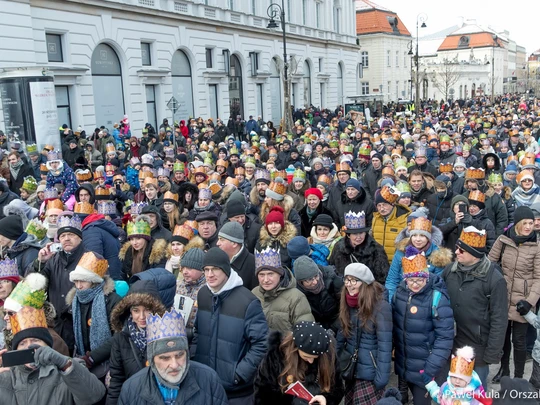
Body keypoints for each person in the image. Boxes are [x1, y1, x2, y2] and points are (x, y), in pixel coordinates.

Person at [194, 247, 269, 403]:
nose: (209, 274)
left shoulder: (247, 301)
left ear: (226, 270)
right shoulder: (203, 295)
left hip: (236, 392)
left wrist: (239, 373)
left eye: (215, 269)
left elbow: (262, 342)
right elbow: (197, 332)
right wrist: (195, 361)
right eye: (206, 269)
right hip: (205, 384)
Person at [442, 226, 508, 388]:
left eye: (461, 250)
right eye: (457, 248)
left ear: (475, 254)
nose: (456, 252)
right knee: (451, 392)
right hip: (450, 344)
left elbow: (499, 319)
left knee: (474, 394)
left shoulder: (495, 279)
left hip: (477, 349)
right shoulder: (449, 271)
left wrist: (491, 354)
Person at [118, 309, 228, 405]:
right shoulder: (131, 389)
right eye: (165, 358)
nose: (174, 365)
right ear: (152, 359)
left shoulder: (209, 380)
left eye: (179, 355)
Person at [0, 306, 106, 405]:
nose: (29, 347)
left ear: (47, 345)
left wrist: (64, 364)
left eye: (35, 340)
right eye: (22, 343)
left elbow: (94, 395)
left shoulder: (68, 368)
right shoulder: (7, 376)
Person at [392, 252, 454, 405]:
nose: (415, 284)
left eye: (420, 279)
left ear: (426, 277)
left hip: (425, 369)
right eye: (411, 280)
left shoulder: (437, 298)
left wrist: (430, 369)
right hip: (404, 366)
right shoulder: (400, 294)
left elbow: (445, 338)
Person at [488, 206, 540, 382]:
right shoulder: (503, 240)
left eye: (531, 223)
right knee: (503, 339)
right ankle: (504, 371)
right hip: (502, 298)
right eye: (524, 223)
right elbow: (489, 264)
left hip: (522, 302)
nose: (528, 227)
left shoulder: (537, 246)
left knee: (519, 341)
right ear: (517, 223)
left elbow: (539, 278)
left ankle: (518, 377)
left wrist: (530, 301)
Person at [336, 263, 392, 404]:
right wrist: (334, 362)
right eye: (347, 279)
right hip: (351, 368)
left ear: (365, 283)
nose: (349, 285)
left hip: (370, 373)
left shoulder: (381, 306)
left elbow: (385, 346)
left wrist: (381, 378)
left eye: (354, 280)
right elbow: (342, 334)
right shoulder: (347, 301)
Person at [254, 321, 344, 405]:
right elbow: (263, 393)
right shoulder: (277, 357)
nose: (311, 361)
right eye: (306, 356)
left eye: (315, 357)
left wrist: (326, 400)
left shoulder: (328, 356)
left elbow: (337, 390)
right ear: (295, 348)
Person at [32, 214, 86, 352]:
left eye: (70, 235)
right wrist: (41, 262)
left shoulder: (89, 257)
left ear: (79, 237)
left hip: (80, 322)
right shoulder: (53, 259)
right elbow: (36, 285)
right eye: (62, 236)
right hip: (57, 323)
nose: (66, 238)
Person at [107, 280, 167, 405]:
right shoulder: (121, 337)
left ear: (155, 310)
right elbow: (117, 379)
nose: (142, 316)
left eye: (147, 310)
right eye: (136, 310)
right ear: (129, 311)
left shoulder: (167, 335)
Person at [67, 251, 121, 385]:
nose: (79, 286)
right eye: (76, 281)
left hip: (107, 363)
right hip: (83, 361)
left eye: (83, 281)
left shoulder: (112, 301)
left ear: (94, 281)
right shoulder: (76, 300)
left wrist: (93, 357)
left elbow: (120, 335)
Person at [386, 217, 452, 301]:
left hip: (426, 301)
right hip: (401, 298)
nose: (418, 239)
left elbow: (438, 285)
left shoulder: (438, 257)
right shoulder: (401, 252)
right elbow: (392, 279)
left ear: (428, 238)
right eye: (414, 235)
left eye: (422, 236)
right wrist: (391, 301)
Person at [252, 247, 314, 332]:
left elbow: (306, 332)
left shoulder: (296, 297)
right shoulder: (254, 293)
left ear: (279, 274)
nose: (265, 280)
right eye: (262, 275)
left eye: (270, 274)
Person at [329, 210, 389, 282]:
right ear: (348, 235)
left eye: (361, 233)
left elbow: (383, 277)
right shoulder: (339, 247)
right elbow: (332, 269)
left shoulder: (376, 249)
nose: (358, 237)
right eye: (355, 234)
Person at [294, 255, 343, 333]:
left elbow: (346, 309)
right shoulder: (297, 293)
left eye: (316, 276)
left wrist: (334, 328)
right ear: (301, 282)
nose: (315, 282)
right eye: (309, 280)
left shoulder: (333, 279)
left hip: (339, 323)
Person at [424, 346, 488, 405]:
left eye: (461, 379)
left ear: (468, 380)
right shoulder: (446, 387)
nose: (457, 381)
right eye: (454, 377)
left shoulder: (476, 393)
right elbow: (440, 398)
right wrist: (431, 385)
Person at [372, 185, 411, 262]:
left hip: (397, 263)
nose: (382, 208)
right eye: (379, 205)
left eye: (384, 205)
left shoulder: (404, 218)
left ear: (392, 204)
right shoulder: (375, 219)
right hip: (378, 263)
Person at [174, 247, 205, 343]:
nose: (185, 272)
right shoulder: (178, 285)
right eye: (183, 268)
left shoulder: (207, 289)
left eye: (190, 268)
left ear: (202, 270)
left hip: (198, 338)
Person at [217, 221, 257, 290]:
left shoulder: (253, 264)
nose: (217, 243)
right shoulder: (218, 259)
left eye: (222, 240)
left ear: (234, 244)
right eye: (218, 239)